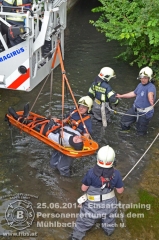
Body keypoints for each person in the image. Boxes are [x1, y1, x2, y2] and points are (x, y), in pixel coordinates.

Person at [7, 104, 84, 177]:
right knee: (42, 120)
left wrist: (52, 128)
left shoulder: (63, 140)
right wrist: (56, 122)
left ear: (73, 143)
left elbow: (50, 136)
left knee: (31, 125)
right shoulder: (77, 134)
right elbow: (67, 128)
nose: (78, 138)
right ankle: (26, 116)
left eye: (77, 140)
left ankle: (16, 117)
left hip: (47, 130)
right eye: (79, 139)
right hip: (55, 125)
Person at [70, 145, 124, 239]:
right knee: (109, 218)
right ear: (112, 161)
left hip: (92, 205)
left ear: (98, 158)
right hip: (109, 204)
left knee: (84, 221)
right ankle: (108, 232)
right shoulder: (116, 174)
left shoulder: (91, 173)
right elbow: (120, 191)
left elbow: (83, 188)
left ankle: (76, 237)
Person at [116, 66, 156, 135]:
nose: (142, 79)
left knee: (140, 132)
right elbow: (133, 93)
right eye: (141, 77)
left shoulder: (151, 87)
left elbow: (150, 94)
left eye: (145, 78)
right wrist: (121, 96)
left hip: (145, 113)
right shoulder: (140, 85)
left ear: (149, 78)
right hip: (135, 109)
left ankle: (139, 143)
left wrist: (151, 100)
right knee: (124, 121)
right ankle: (125, 134)